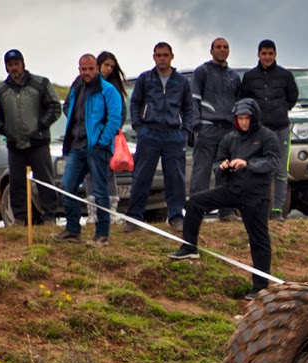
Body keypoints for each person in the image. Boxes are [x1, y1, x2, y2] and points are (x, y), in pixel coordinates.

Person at [168, 98, 279, 300]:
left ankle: (260, 286)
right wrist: (222, 167)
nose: (244, 122)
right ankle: (189, 246)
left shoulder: (266, 136)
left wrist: (247, 164)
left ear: (254, 118)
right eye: (240, 119)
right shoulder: (230, 138)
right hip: (231, 189)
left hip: (256, 196)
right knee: (194, 202)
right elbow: (217, 163)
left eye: (247, 118)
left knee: (258, 239)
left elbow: (272, 163)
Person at [50, 54, 123, 247]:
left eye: (90, 68)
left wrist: (102, 142)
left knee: (100, 190)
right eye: (83, 69)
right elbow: (71, 112)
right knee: (67, 186)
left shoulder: (109, 90)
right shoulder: (76, 90)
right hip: (76, 146)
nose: (87, 72)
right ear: (79, 70)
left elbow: (115, 119)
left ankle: (102, 234)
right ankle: (73, 229)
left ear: (97, 68)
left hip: (97, 148)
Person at [124, 42, 194, 233]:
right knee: (141, 177)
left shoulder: (181, 81)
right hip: (150, 133)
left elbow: (188, 108)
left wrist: (185, 131)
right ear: (153, 57)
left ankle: (176, 217)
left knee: (175, 178)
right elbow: (135, 103)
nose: (162, 58)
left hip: (174, 134)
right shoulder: (145, 79)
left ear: (172, 56)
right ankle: (134, 217)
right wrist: (139, 127)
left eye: (165, 55)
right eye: (158, 55)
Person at [0, 49, 62, 227]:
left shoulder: (40, 83)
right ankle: (20, 218)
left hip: (38, 142)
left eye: (17, 63)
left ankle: (49, 217)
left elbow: (55, 107)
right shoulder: (0, 90)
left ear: (23, 63)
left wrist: (40, 126)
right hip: (14, 144)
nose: (14, 68)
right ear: (6, 67)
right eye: (10, 65)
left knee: (44, 180)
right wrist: (4, 130)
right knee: (16, 182)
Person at [240, 39, 297, 221]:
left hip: (281, 129)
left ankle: (278, 210)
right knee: (256, 168)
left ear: (275, 55)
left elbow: (292, 98)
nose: (267, 57)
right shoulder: (250, 77)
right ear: (258, 55)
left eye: (270, 54)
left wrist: (279, 111)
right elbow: (245, 101)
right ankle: (258, 209)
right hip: (258, 131)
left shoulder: (285, 76)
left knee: (280, 170)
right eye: (264, 53)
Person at [189, 37, 241, 222]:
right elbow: (193, 100)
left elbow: (239, 104)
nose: (222, 50)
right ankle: (197, 211)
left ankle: (226, 212)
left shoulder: (234, 76)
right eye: (218, 47)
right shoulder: (201, 72)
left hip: (228, 131)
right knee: (201, 172)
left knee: (227, 172)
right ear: (211, 51)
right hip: (207, 128)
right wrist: (196, 125)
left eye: (225, 47)